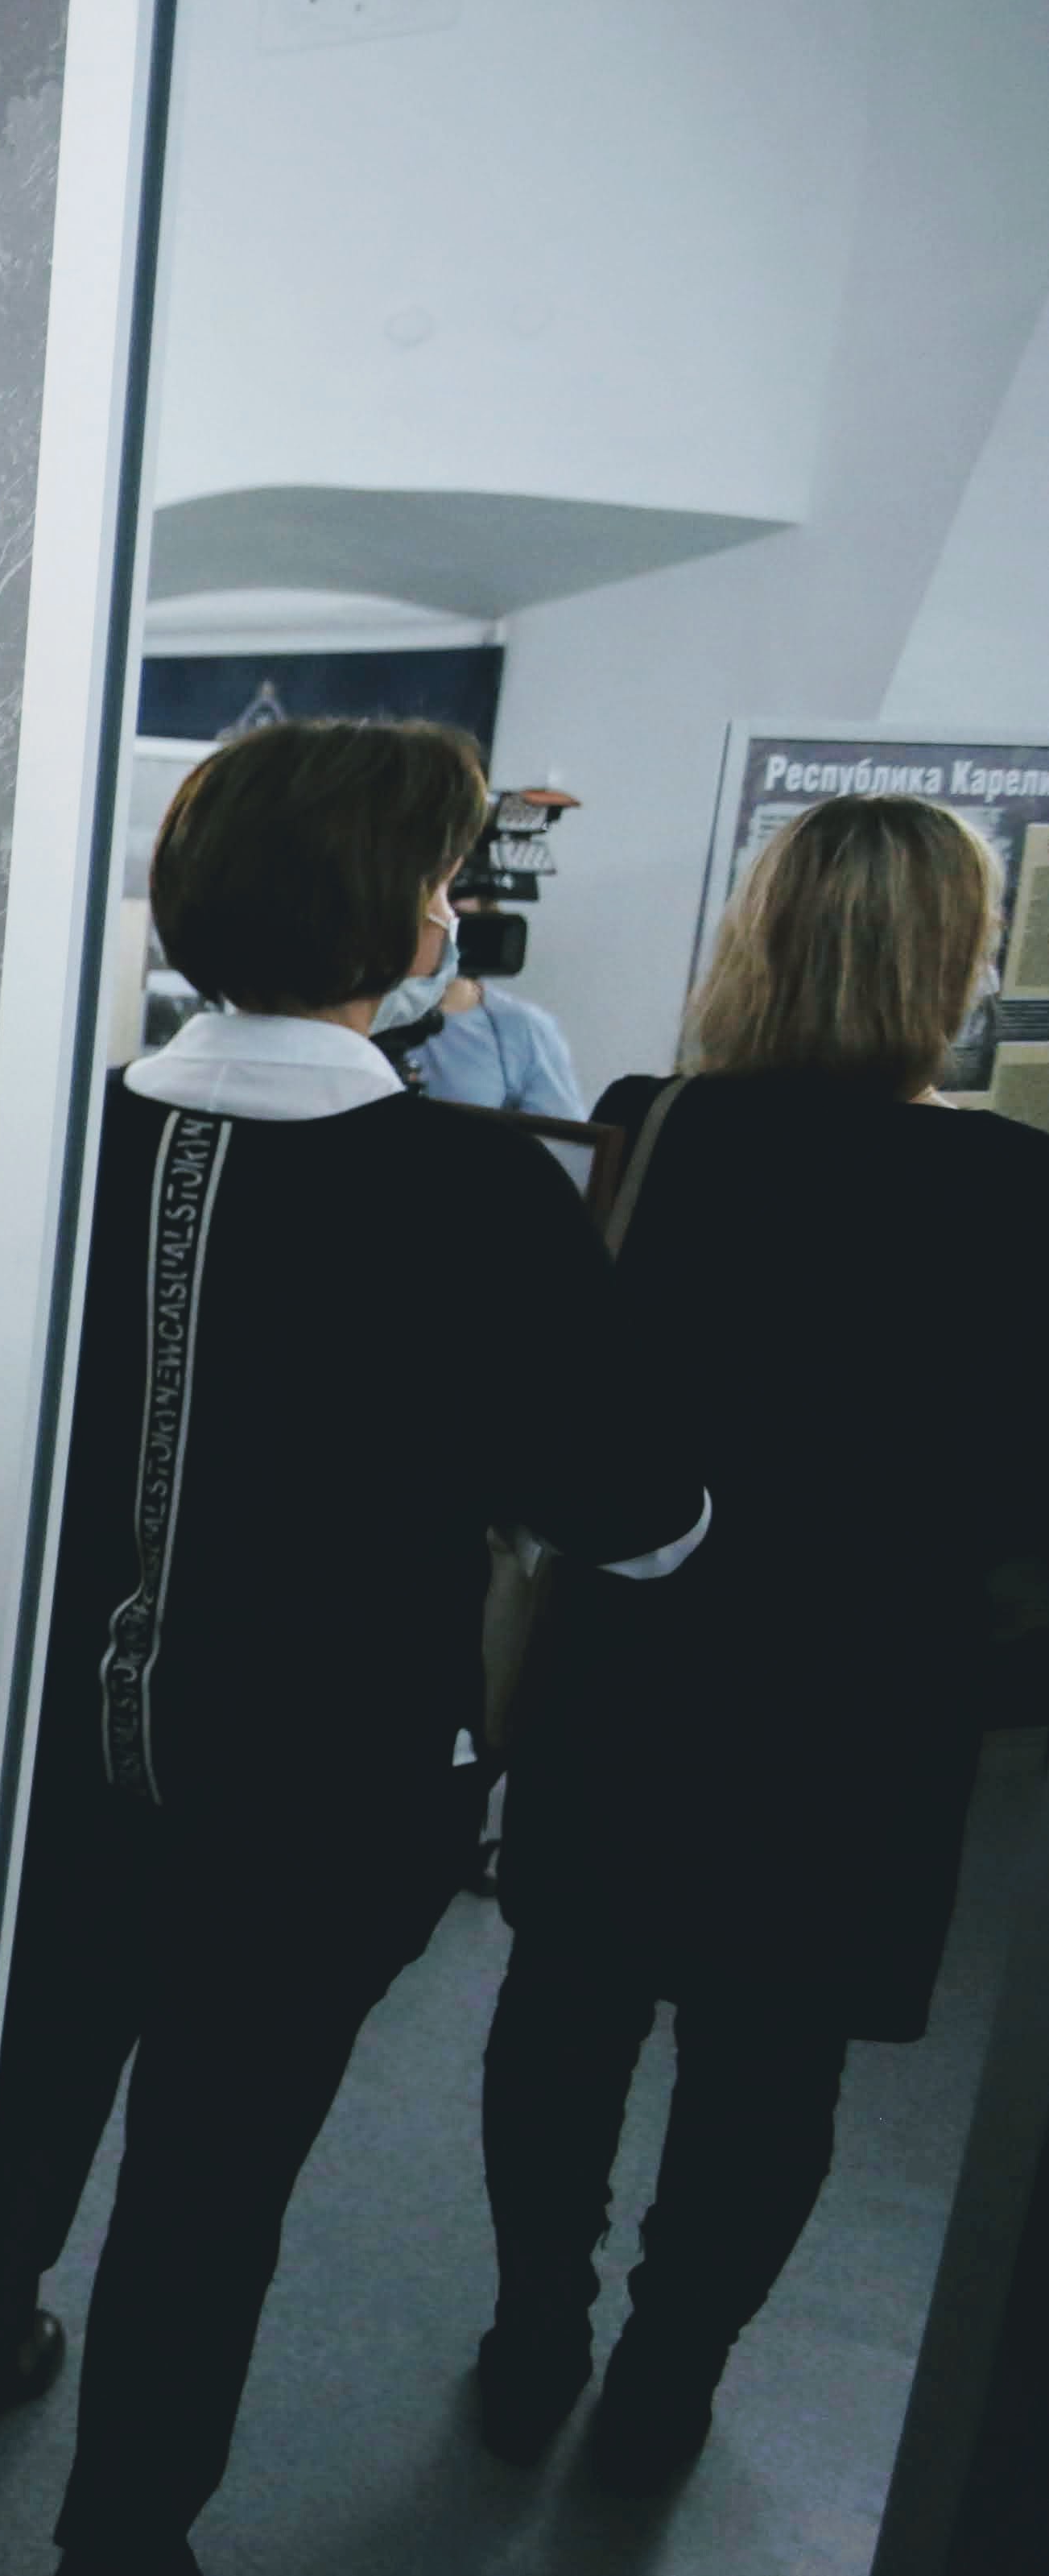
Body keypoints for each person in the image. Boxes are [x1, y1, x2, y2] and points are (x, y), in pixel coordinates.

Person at [0, 718, 707, 2575]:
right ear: (391, 913)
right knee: (210, 2187)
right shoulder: (476, 1191)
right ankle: (121, 2537)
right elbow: (644, 1519)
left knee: (15, 2100)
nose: (452, 915)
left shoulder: (46, 1150)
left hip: (38, 1765)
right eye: (441, 880)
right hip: (325, 1801)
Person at [477, 794, 1049, 2491]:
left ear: (762, 935)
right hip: (870, 1694)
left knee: (566, 2013)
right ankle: (667, 2381)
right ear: (960, 958)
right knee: (771, 2064)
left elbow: (564, 1405)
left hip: (639, 1657)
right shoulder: (1018, 1187)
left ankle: (533, 2334)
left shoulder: (654, 1128)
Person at [384, 898, 589, 1117]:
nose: (443, 934)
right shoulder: (369, 1013)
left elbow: (559, 1133)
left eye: (457, 918)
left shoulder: (524, 1027)